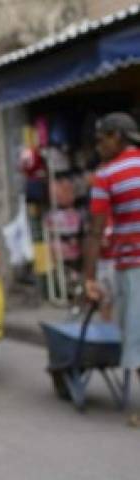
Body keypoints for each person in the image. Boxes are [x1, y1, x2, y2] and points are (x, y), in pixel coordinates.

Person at [83, 112, 140, 426]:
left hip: (134, 266)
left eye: (102, 139)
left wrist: (89, 279)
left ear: (117, 136)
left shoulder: (107, 176)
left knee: (138, 336)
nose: (98, 146)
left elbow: (96, 231)